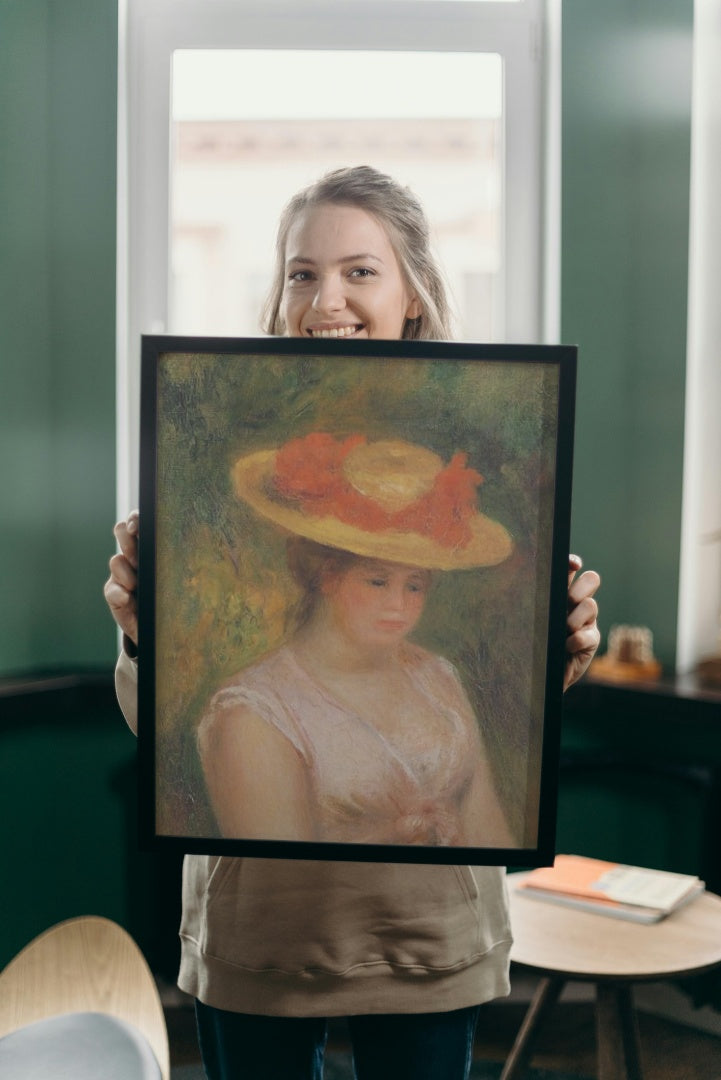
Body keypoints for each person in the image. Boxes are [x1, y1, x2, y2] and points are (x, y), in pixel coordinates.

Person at [105, 166, 601, 1080]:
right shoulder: (251, 696)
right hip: (266, 939)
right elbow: (167, 738)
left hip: (430, 938)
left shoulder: (440, 673)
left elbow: (497, 791)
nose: (324, 298)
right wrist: (143, 634)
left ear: (412, 292)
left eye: (358, 271)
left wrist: (553, 656)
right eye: (301, 272)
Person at [199, 432, 516, 848]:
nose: (398, 606)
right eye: (377, 581)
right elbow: (276, 875)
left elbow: (491, 839)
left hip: (452, 908)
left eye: (415, 586)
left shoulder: (438, 678)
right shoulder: (257, 711)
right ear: (327, 576)